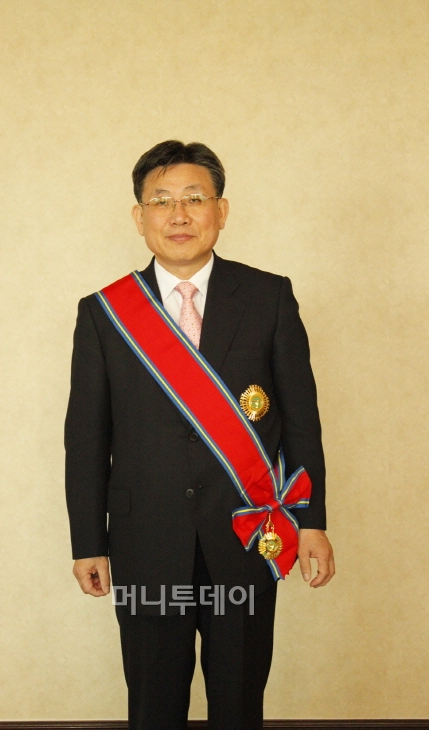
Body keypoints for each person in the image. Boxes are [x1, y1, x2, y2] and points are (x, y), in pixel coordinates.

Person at [65, 140, 335, 730]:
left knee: (239, 699)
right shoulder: (104, 313)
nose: (178, 215)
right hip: (145, 539)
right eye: (161, 201)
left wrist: (311, 521)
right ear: (139, 217)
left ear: (222, 210)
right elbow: (86, 439)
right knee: (153, 702)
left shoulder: (268, 297)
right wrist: (88, 541)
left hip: (246, 535)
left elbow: (302, 420)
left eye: (194, 198)